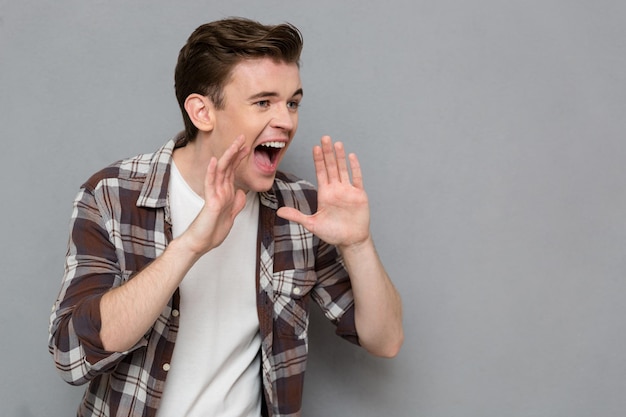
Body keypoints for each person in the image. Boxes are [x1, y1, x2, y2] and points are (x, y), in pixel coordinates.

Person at [48, 17, 403, 417]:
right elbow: (71, 356)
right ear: (202, 112)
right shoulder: (112, 195)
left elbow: (385, 340)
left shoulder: (299, 209)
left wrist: (358, 244)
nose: (286, 121)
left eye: (292, 102)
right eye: (263, 102)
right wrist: (190, 246)